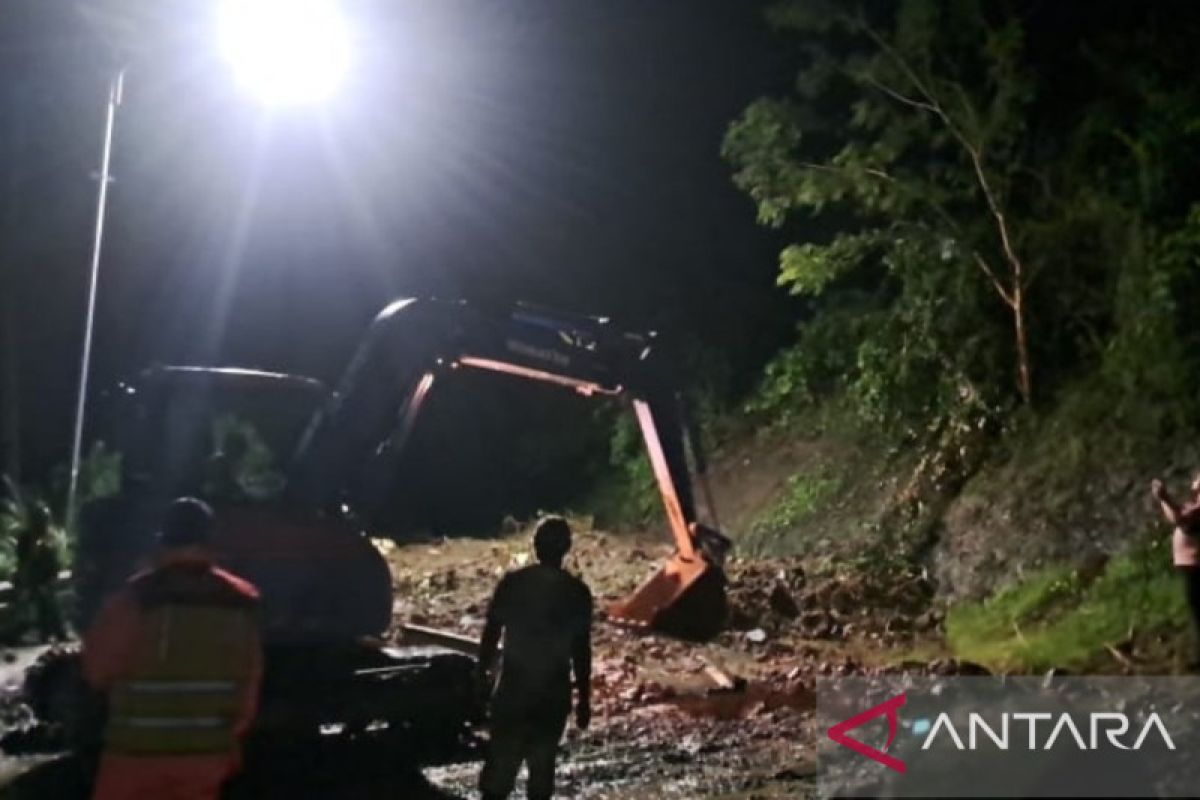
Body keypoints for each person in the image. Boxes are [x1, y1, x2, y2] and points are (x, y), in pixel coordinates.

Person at [82, 497, 262, 800]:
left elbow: (96, 671)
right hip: (206, 757)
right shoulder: (240, 601)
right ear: (211, 541)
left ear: (162, 539)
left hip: (135, 755)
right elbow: (249, 685)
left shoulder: (136, 598)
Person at [477, 516, 593, 800]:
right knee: (541, 774)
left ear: (535, 545)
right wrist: (584, 700)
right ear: (566, 547)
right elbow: (581, 649)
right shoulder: (576, 592)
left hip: (513, 688)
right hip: (552, 690)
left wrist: (481, 678)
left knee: (499, 775)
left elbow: (491, 634)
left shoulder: (513, 584)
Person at [1151, 475, 1200, 667]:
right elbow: (1175, 516)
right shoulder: (1193, 506)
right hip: (1191, 567)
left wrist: (1164, 498)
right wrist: (1162, 499)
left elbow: (1182, 520)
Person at [12, 501, 66, 641]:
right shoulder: (25, 538)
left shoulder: (50, 538)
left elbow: (54, 564)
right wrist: (34, 549)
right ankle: (55, 632)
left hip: (45, 579)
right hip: (28, 578)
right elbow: (23, 562)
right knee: (43, 596)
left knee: (47, 595)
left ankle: (52, 632)